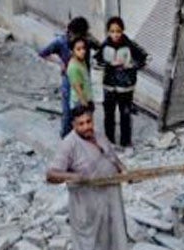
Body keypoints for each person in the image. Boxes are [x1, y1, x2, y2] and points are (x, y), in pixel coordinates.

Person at [46, 105, 137, 250]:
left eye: (89, 122)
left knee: (113, 245)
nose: (86, 127)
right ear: (73, 125)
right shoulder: (68, 145)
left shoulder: (99, 136)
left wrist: (124, 171)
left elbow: (112, 157)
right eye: (81, 124)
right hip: (87, 206)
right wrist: (73, 176)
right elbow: (51, 174)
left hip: (110, 200)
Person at [94, 16, 147, 151]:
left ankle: (126, 142)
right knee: (109, 115)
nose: (115, 34)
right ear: (108, 32)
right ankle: (109, 141)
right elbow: (96, 62)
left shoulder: (130, 45)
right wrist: (109, 64)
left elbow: (145, 58)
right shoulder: (104, 45)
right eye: (112, 31)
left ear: (123, 31)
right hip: (109, 87)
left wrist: (131, 66)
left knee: (125, 114)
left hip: (126, 87)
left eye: (118, 31)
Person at [39, 17, 92, 138]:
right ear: (71, 32)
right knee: (68, 112)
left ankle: (81, 135)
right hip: (69, 82)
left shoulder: (86, 40)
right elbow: (43, 53)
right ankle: (66, 137)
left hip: (84, 80)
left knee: (84, 110)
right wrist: (59, 62)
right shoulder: (60, 42)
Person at [66, 36, 94, 110]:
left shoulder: (81, 61)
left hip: (86, 98)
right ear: (72, 51)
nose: (82, 51)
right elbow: (77, 87)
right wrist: (85, 104)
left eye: (84, 48)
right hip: (80, 102)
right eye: (78, 49)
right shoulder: (73, 67)